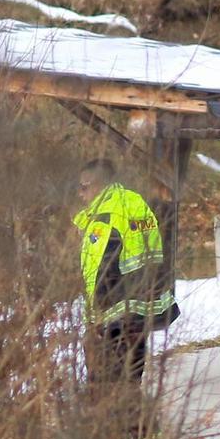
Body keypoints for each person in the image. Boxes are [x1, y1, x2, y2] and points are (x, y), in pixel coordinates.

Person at [73, 159, 180, 398]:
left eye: (84, 186)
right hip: (139, 309)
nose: (80, 193)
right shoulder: (133, 203)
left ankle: (120, 431)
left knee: (108, 383)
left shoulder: (106, 217)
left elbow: (102, 267)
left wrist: (97, 317)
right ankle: (138, 431)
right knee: (131, 378)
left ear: (99, 185)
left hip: (114, 314)